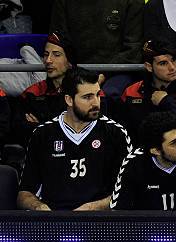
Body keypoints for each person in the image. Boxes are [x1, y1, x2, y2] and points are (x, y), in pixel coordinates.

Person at [17, 67, 132, 211]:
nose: (96, 103)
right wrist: (39, 207)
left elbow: (127, 193)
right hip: (53, 219)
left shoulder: (116, 134)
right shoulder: (42, 134)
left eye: (97, 95)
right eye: (87, 97)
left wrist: (91, 208)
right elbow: (24, 194)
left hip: (99, 221)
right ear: (69, 99)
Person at [110, 112, 176, 210]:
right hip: (146, 228)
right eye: (173, 143)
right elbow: (119, 212)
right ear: (155, 150)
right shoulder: (133, 162)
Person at [119, 39, 176, 146]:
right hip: (143, 150)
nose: (172, 68)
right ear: (149, 67)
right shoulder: (131, 92)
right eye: (163, 63)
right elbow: (123, 133)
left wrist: (167, 102)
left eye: (174, 60)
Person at [50, 0, 144, 97]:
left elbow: (133, 48)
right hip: (75, 71)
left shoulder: (132, 2)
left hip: (117, 72)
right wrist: (80, 74)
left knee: (108, 94)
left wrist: (104, 74)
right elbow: (57, 41)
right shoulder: (63, 2)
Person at [13, 31, 79, 146]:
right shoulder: (32, 93)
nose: (48, 60)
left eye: (56, 55)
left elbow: (90, 132)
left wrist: (40, 127)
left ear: (70, 62)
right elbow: (19, 131)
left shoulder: (86, 92)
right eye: (45, 54)